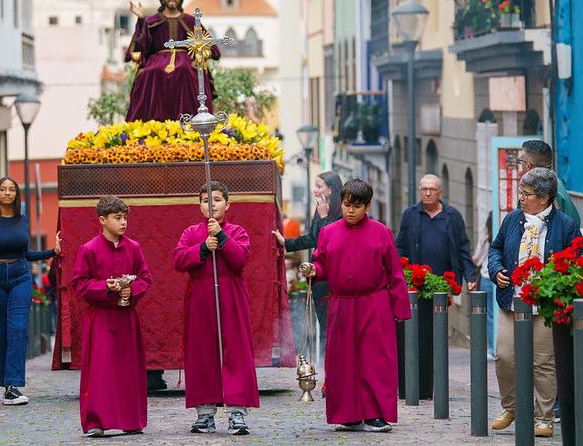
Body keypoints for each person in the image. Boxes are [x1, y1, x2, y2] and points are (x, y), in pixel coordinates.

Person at [302, 179, 410, 432]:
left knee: (375, 360)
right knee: (342, 362)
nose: (350, 211)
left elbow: (394, 273)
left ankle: (375, 414)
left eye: (357, 206)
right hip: (341, 305)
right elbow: (322, 264)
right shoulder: (328, 232)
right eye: (347, 205)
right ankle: (348, 414)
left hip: (374, 304)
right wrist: (313, 270)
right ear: (341, 203)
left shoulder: (381, 232)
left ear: (367, 206)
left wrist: (400, 308)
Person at [488, 168, 580, 438]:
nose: (521, 198)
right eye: (521, 192)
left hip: (544, 305)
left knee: (543, 363)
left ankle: (544, 418)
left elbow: (574, 261)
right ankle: (512, 407)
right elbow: (496, 249)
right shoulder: (512, 220)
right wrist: (496, 270)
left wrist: (556, 285)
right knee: (504, 356)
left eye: (526, 194)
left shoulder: (565, 225)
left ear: (544, 198)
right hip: (512, 300)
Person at [174, 181, 257, 435]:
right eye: (206, 201)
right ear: (199, 205)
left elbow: (240, 259)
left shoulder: (237, 231)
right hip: (201, 297)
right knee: (202, 352)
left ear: (227, 204)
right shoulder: (190, 232)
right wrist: (202, 247)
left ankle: (236, 412)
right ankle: (205, 412)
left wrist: (221, 237)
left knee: (236, 352)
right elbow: (179, 260)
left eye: (217, 200)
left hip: (231, 295)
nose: (211, 205)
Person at [0, 177, 61, 405]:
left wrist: (52, 252)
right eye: (3, 189)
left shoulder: (22, 220)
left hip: (20, 276)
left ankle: (13, 385)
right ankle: (6, 384)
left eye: (11, 189)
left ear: (16, 194)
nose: (7, 193)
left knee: (18, 328)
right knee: (1, 332)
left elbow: (26, 254)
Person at [72, 196, 151, 437]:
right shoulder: (88, 249)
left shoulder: (134, 248)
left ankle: (131, 419)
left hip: (126, 318)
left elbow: (145, 278)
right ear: (102, 220)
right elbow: (79, 283)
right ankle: (96, 421)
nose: (123, 222)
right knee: (101, 371)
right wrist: (105, 287)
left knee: (129, 370)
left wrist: (131, 290)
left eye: (125, 217)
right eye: (117, 218)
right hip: (102, 318)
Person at [395, 173, 477, 399]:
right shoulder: (410, 215)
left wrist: (470, 275)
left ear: (440, 192)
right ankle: (410, 387)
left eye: (432, 189)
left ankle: (429, 388)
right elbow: (399, 246)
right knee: (412, 336)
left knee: (433, 337)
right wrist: (401, 273)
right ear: (420, 191)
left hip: (440, 289)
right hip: (415, 287)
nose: (428, 193)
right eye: (424, 189)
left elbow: (463, 248)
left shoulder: (452, 216)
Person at [272, 170, 343, 362]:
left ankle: (336, 366)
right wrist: (285, 242)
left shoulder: (341, 211)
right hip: (319, 277)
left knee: (335, 327)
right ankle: (327, 368)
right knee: (324, 325)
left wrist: (325, 217)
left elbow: (332, 242)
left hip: (335, 277)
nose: (315, 190)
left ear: (331, 189)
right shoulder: (320, 209)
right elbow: (312, 238)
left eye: (319, 186)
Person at [125, 0, 221, 122]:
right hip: (157, 59)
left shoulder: (190, 21)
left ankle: (191, 121)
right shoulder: (151, 21)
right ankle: (151, 123)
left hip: (186, 60)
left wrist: (204, 53)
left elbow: (208, 44)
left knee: (184, 69)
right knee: (153, 71)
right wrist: (141, 19)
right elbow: (141, 46)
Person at [518, 139, 581, 230]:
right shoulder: (553, 184)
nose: (521, 198)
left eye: (521, 161)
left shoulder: (548, 190)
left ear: (528, 166)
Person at [472, 211, 497, 359]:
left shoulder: (486, 239)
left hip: (487, 277)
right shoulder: (501, 236)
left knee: (490, 315)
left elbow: (477, 259)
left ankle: (493, 348)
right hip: (500, 278)